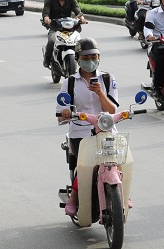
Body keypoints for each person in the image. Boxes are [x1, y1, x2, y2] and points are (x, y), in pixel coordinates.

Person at [56, 38, 118, 217]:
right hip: (80, 131)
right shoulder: (70, 82)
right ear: (78, 59)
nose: (90, 60)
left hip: (105, 130)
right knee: (85, 166)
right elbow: (61, 109)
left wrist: (100, 93)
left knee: (117, 159)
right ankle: (74, 198)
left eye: (94, 56)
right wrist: (66, 112)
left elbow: (112, 109)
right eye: (86, 57)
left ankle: (122, 192)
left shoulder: (107, 79)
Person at [41, 0, 88, 68]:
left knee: (79, 42)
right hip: (55, 27)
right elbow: (46, 11)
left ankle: (81, 60)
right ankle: (47, 59)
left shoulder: (71, 0)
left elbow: (77, 10)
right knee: (51, 40)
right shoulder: (50, 0)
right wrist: (46, 18)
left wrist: (82, 18)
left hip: (69, 27)